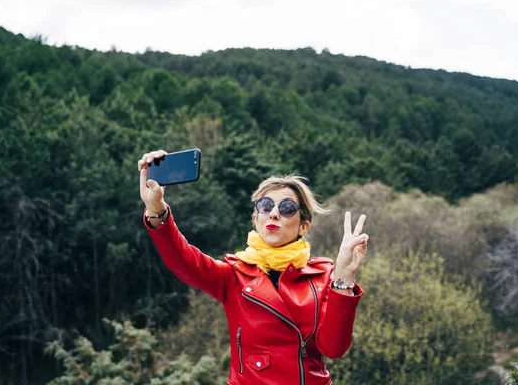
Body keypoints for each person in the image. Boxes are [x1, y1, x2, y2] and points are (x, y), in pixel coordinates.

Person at [138, 150, 369, 385]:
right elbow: (184, 261)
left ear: (303, 227)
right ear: (256, 219)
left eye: (287, 208)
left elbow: (334, 348)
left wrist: (343, 276)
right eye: (266, 206)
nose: (275, 213)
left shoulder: (323, 277)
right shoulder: (233, 275)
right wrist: (157, 209)